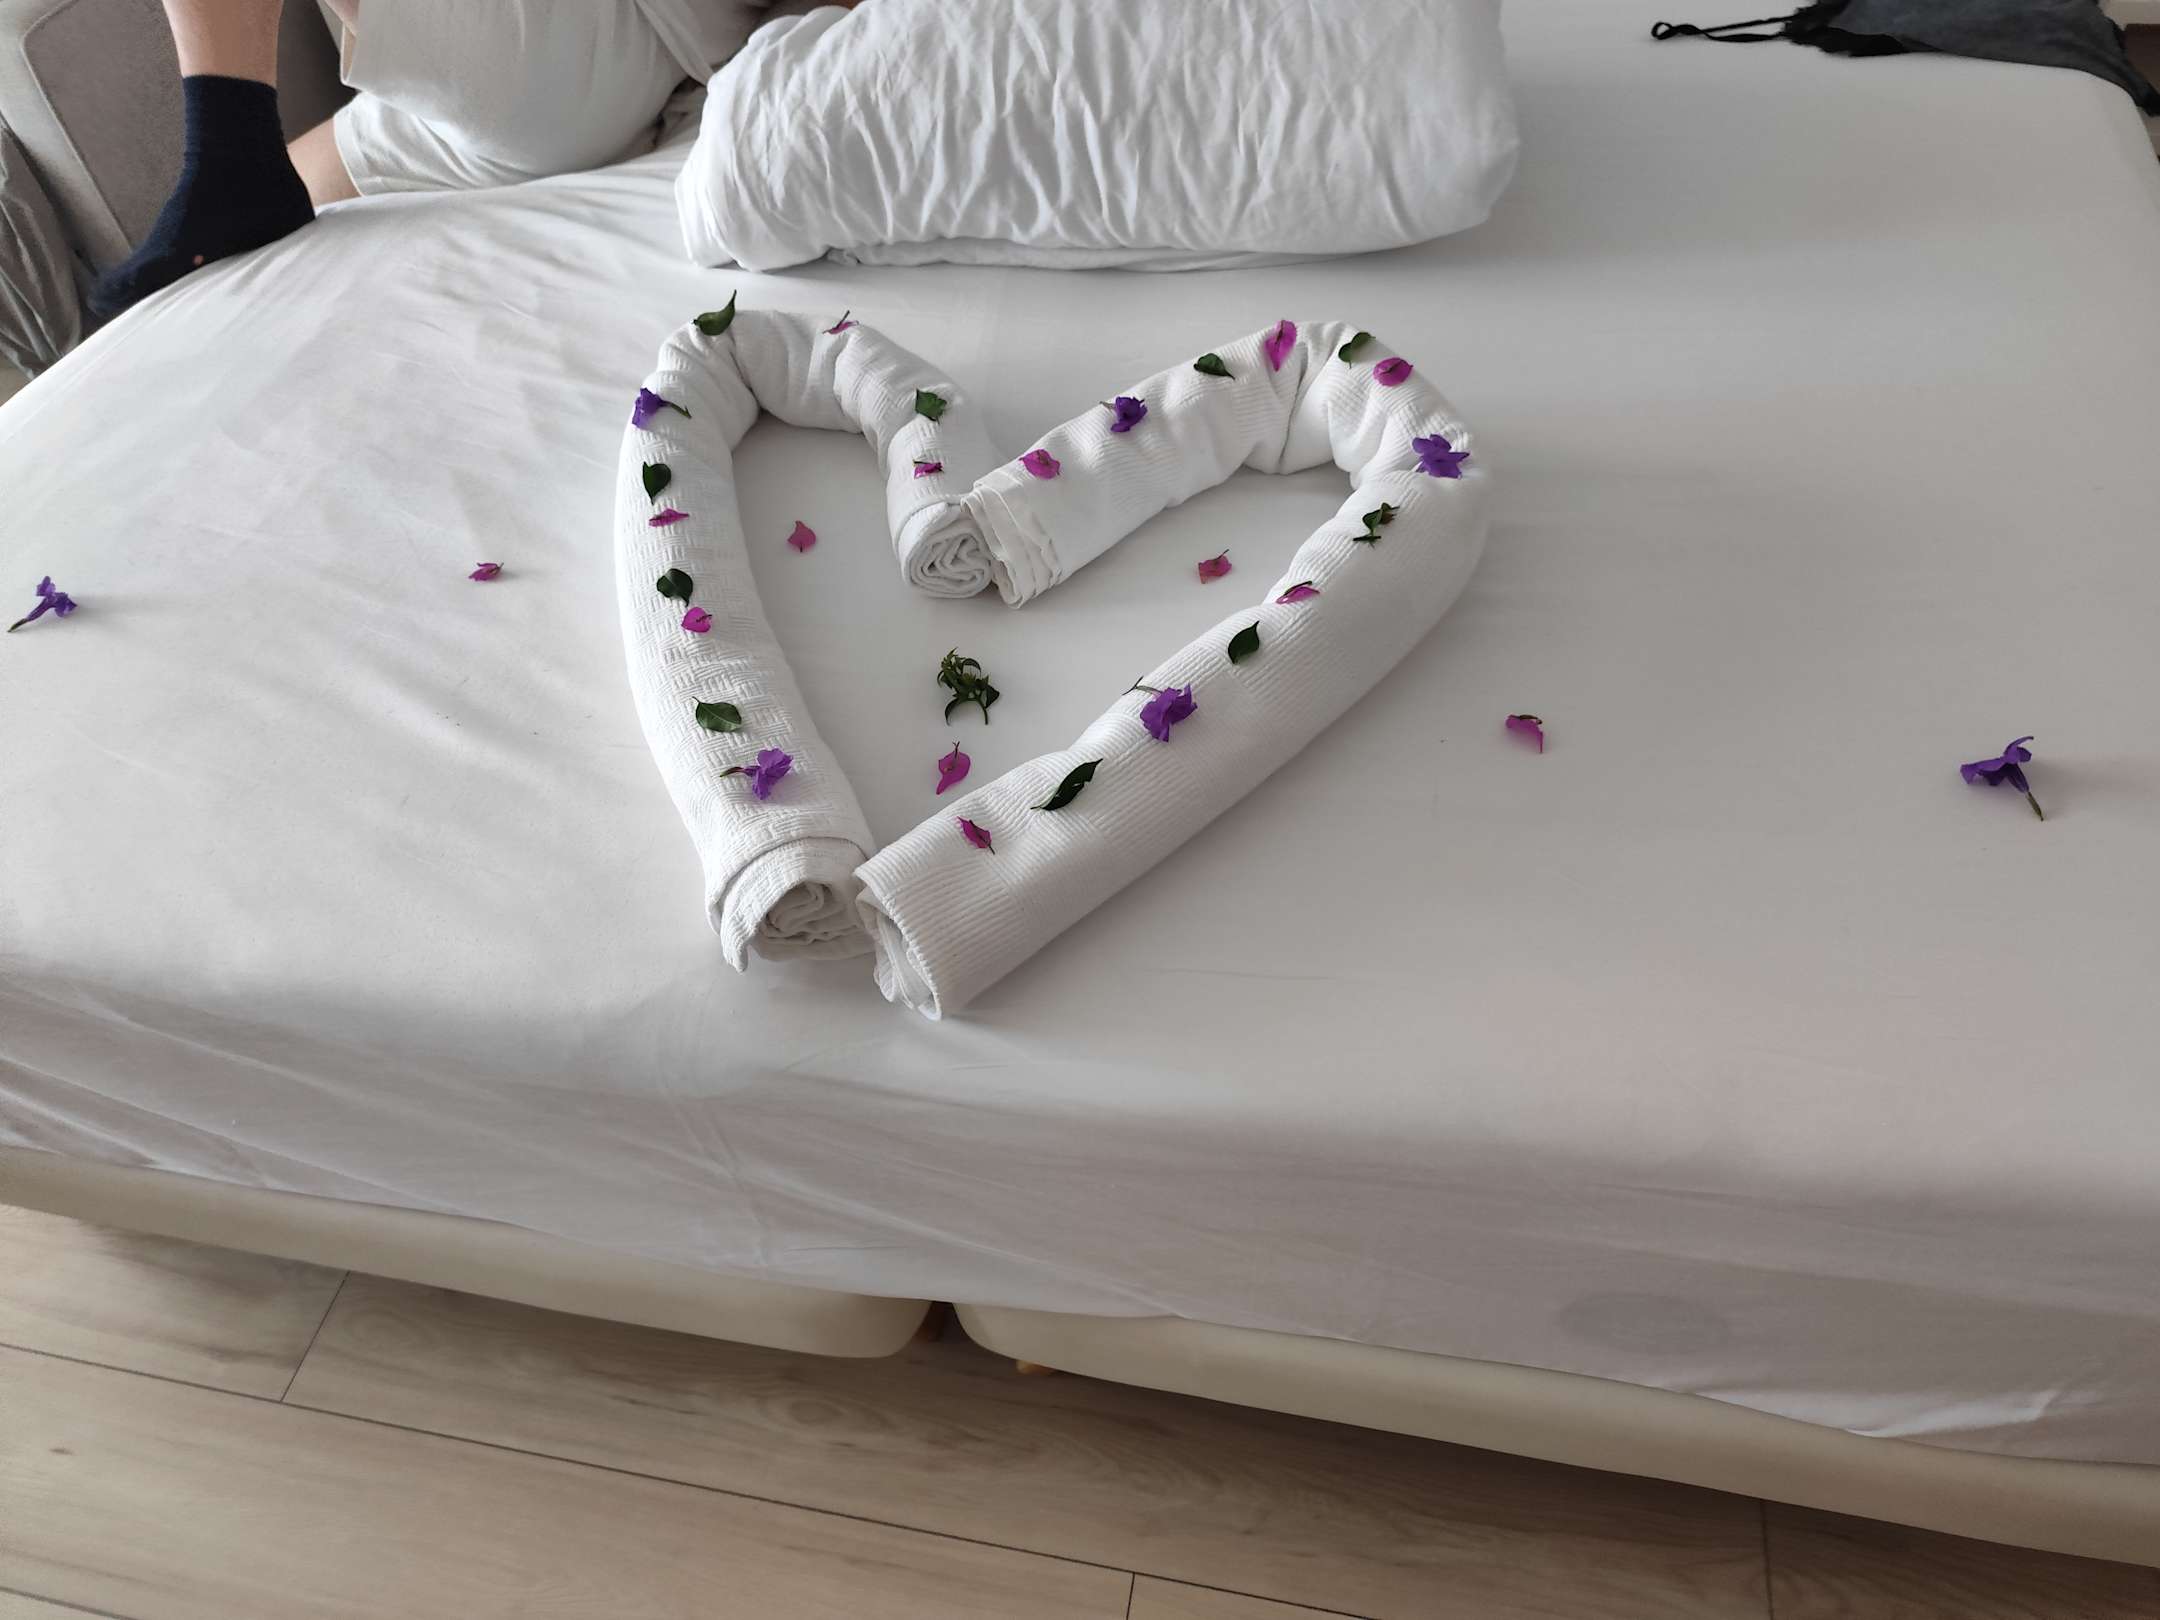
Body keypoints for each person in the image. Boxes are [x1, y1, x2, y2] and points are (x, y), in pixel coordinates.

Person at [88, 0, 781, 319]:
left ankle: (226, 150)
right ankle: (230, 151)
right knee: (207, 286)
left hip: (573, 59)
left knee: (234, 172)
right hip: (549, 81)